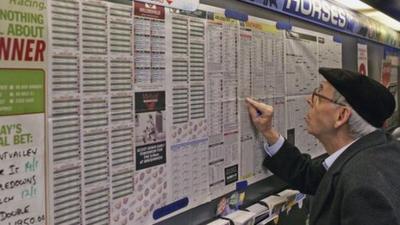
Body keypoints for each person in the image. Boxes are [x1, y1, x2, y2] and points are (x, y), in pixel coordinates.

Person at [246, 68, 400, 225]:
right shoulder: (375, 151)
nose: (309, 100)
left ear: (341, 116)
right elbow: (312, 176)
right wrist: (268, 132)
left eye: (318, 96)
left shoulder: (363, 188)